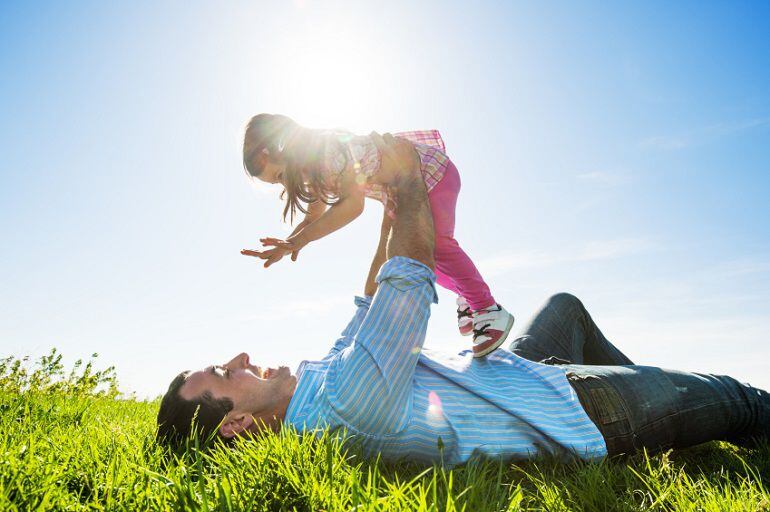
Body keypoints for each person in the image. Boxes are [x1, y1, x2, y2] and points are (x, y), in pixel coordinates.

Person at [157, 134, 770, 465]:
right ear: (236, 426)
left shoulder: (316, 387)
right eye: (223, 372)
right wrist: (402, 182)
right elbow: (408, 281)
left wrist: (375, 219)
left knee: (564, 305)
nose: (238, 357)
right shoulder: (340, 406)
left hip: (510, 371)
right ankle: (656, 407)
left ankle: (657, 394)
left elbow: (371, 302)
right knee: (743, 401)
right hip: (578, 408)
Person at [240, 114, 514, 357]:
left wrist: (300, 240)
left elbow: (352, 206)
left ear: (281, 147)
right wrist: (289, 243)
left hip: (429, 175)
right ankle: (468, 296)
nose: (282, 182)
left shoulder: (325, 152)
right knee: (422, 256)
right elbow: (314, 216)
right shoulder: (312, 170)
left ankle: (488, 309)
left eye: (278, 174)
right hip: (404, 189)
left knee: (439, 247)